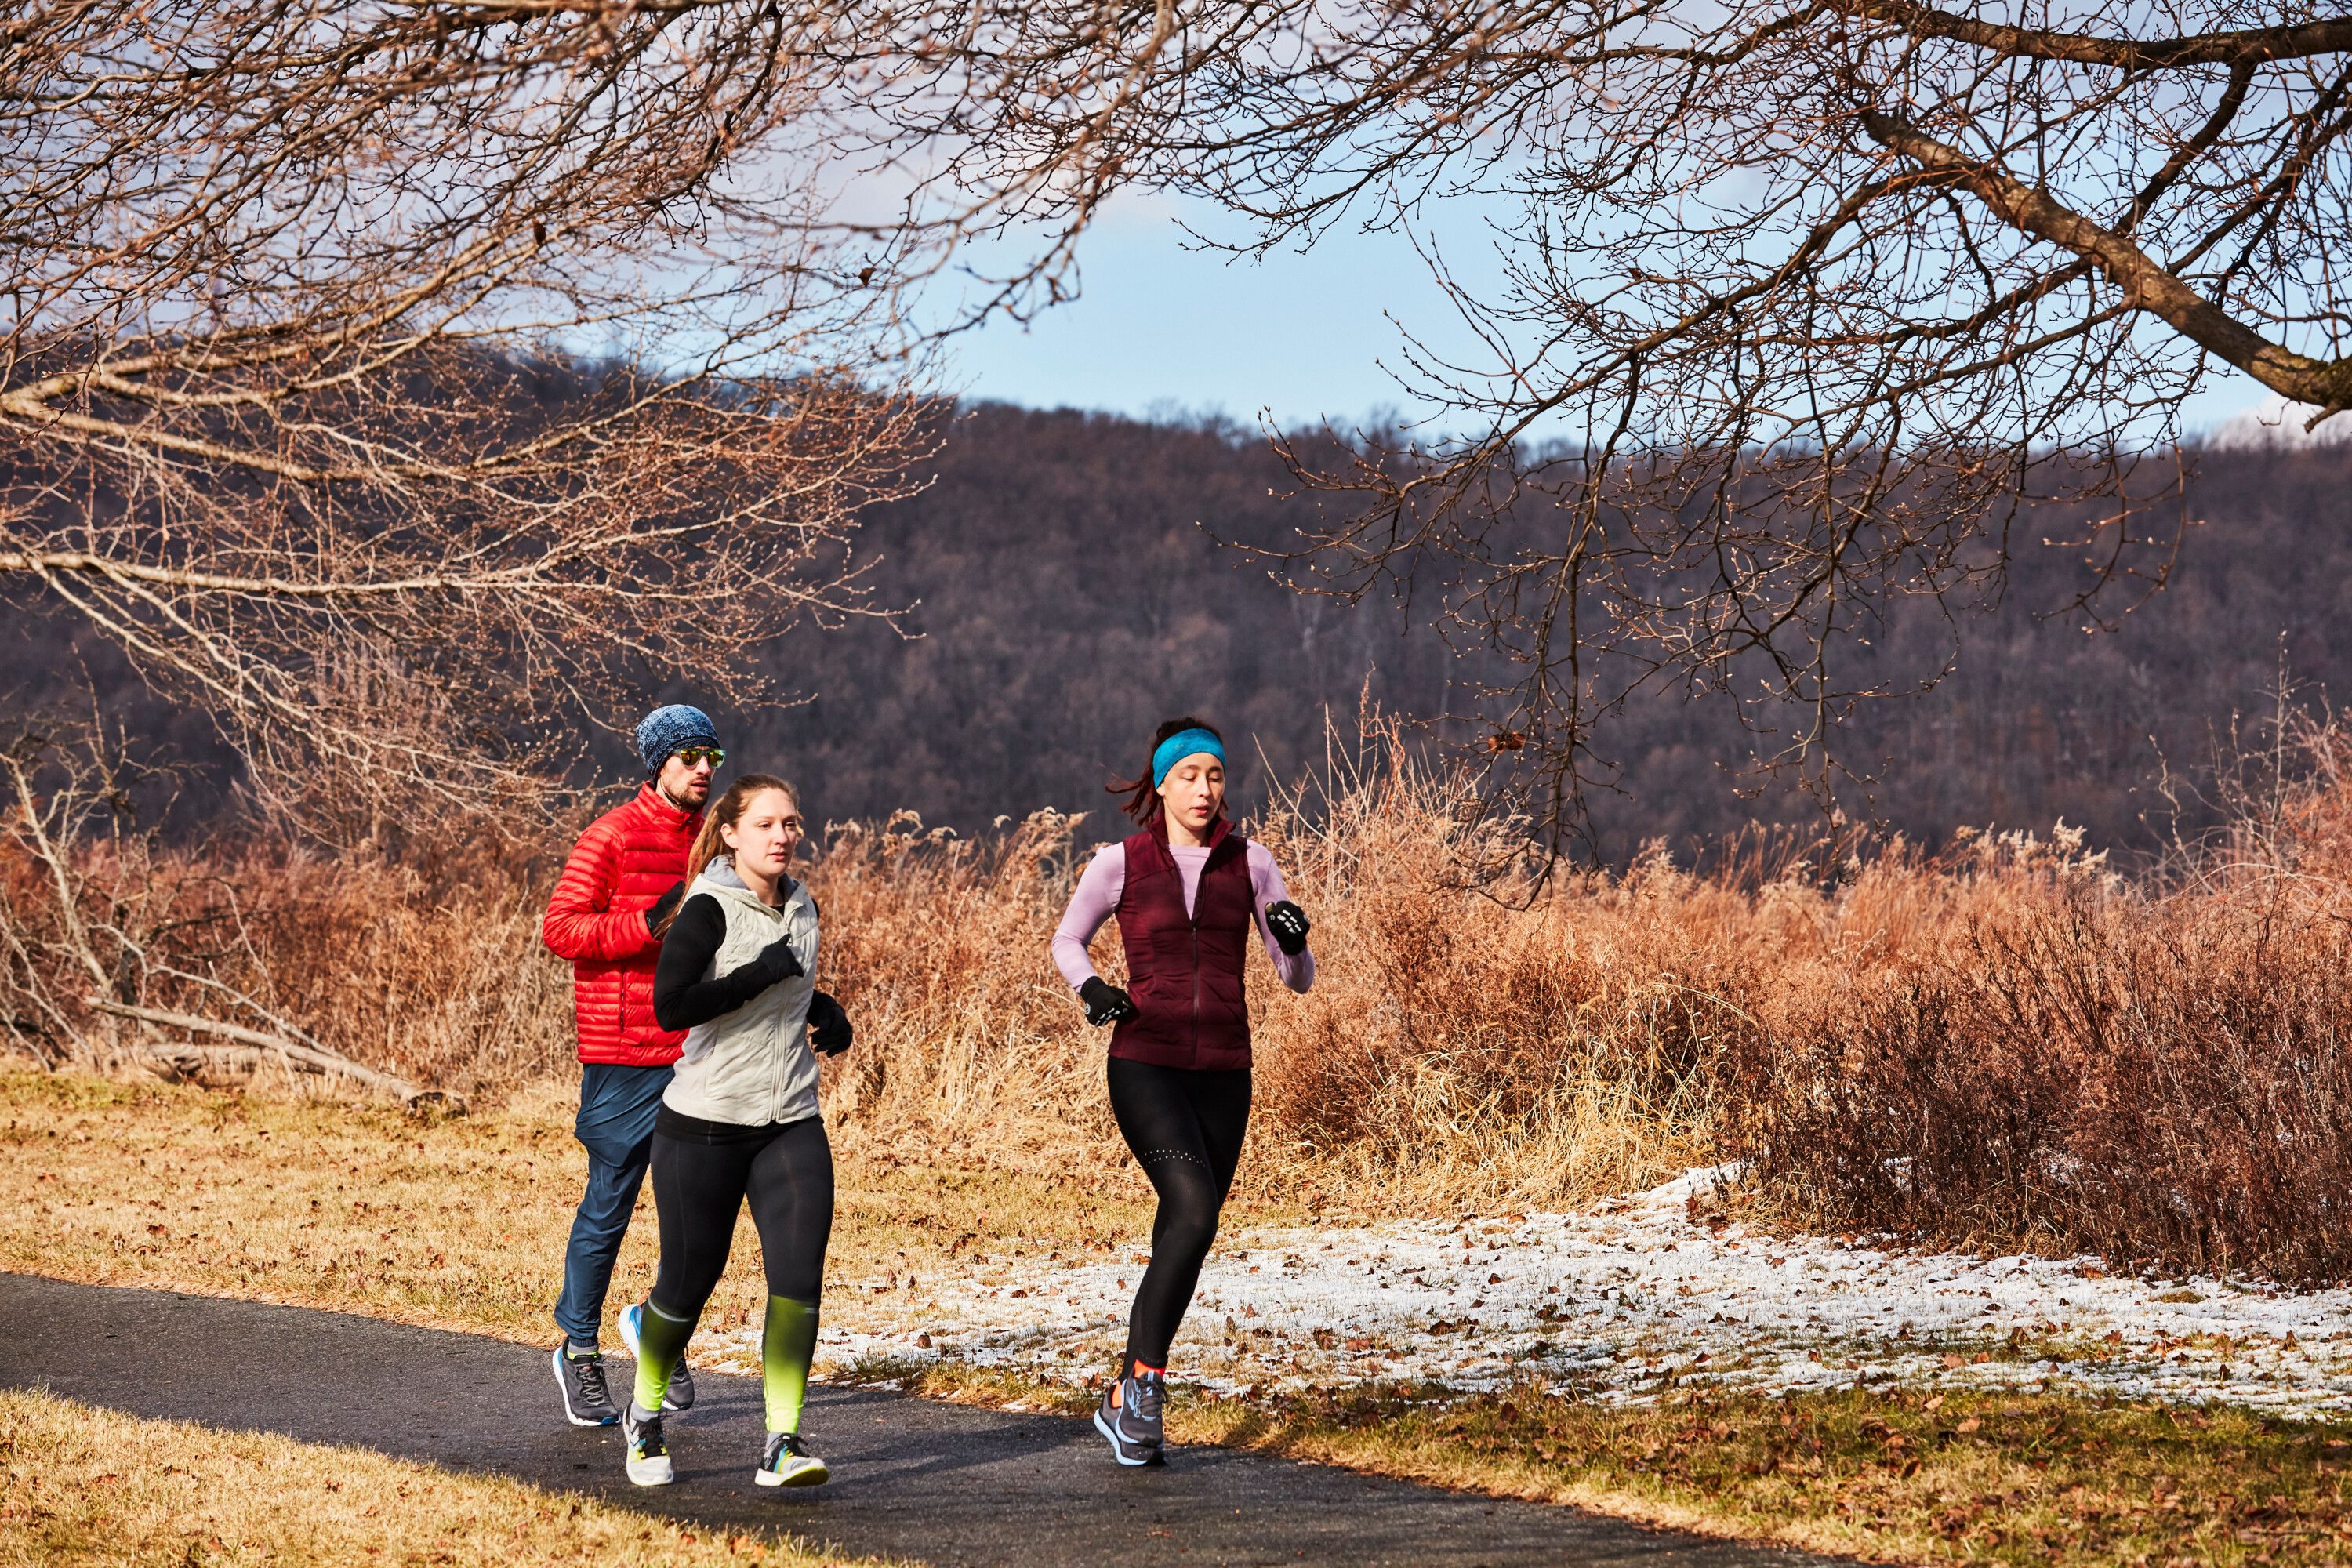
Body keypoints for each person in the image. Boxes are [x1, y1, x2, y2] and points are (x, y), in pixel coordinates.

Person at [1051, 717, 1316, 1467]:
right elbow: (1067, 940)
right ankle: (1145, 1389)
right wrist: (1093, 988)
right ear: (1161, 783)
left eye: (1216, 775)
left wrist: (1294, 944)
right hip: (1147, 1064)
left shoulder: (1253, 864)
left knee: (1186, 1232)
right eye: (1190, 775)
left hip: (1227, 1073)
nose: (1205, 789)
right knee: (1195, 1209)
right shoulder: (1120, 863)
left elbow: (1296, 981)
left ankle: (1120, 1399)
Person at [614, 773, 854, 1489]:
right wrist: (756, 975)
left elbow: (787, 988)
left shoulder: (803, 904)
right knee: (688, 1285)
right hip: (704, 1126)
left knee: (798, 1281)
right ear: (731, 834)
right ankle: (645, 1419)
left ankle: (782, 1441)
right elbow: (672, 1006)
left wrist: (824, 1010)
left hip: (791, 1121)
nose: (782, 836)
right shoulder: (707, 909)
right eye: (766, 825)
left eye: (791, 824)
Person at [539, 704, 725, 1426]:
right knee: (610, 1206)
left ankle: (657, 1326)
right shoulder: (610, 837)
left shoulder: (716, 843)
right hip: (624, 1053)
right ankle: (578, 1349)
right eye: (690, 758)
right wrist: (646, 924)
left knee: (697, 1212)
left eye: (712, 756)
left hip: (699, 1049)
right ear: (659, 766)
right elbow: (560, 928)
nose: (705, 770)